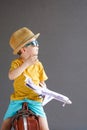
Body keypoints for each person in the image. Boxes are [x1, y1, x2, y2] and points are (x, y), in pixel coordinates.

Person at [1, 27, 49, 130]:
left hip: (34, 99)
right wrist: (26, 64)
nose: (38, 45)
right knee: (6, 122)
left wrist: (44, 89)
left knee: (43, 124)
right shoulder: (16, 63)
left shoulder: (38, 65)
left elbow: (42, 82)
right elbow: (11, 76)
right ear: (23, 49)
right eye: (34, 43)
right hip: (17, 99)